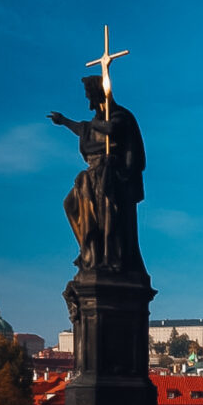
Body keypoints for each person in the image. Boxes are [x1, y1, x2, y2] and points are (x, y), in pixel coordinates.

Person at [48, 76, 146, 274]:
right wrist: (64, 121)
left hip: (112, 177)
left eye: (89, 95)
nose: (88, 100)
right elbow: (82, 129)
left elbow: (112, 129)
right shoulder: (97, 121)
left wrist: (120, 172)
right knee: (70, 204)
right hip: (92, 175)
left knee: (108, 218)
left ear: (98, 94)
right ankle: (89, 249)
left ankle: (109, 256)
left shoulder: (120, 115)